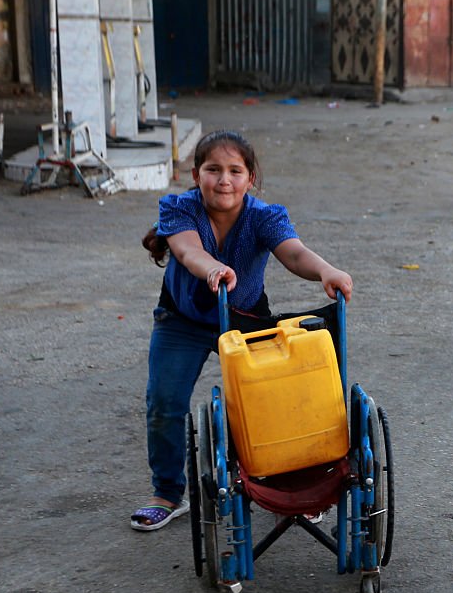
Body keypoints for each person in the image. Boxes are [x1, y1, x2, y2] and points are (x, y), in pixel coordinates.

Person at [130, 130, 353, 531]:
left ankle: (290, 483)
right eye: (213, 170)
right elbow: (186, 250)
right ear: (196, 174)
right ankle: (166, 492)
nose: (224, 180)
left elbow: (294, 252)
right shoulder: (178, 209)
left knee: (276, 404)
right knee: (164, 403)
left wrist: (326, 270)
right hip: (183, 320)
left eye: (235, 171)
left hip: (245, 318)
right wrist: (211, 267)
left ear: (251, 178)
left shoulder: (263, 216)